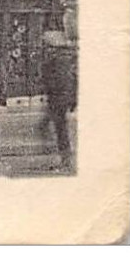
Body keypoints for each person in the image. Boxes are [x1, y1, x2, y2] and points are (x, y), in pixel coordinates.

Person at [42, 32, 77, 170]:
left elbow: (62, 81)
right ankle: (64, 158)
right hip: (58, 98)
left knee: (61, 129)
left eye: (47, 45)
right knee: (59, 128)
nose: (45, 48)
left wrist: (66, 99)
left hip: (59, 99)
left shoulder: (59, 60)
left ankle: (66, 160)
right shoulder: (63, 58)